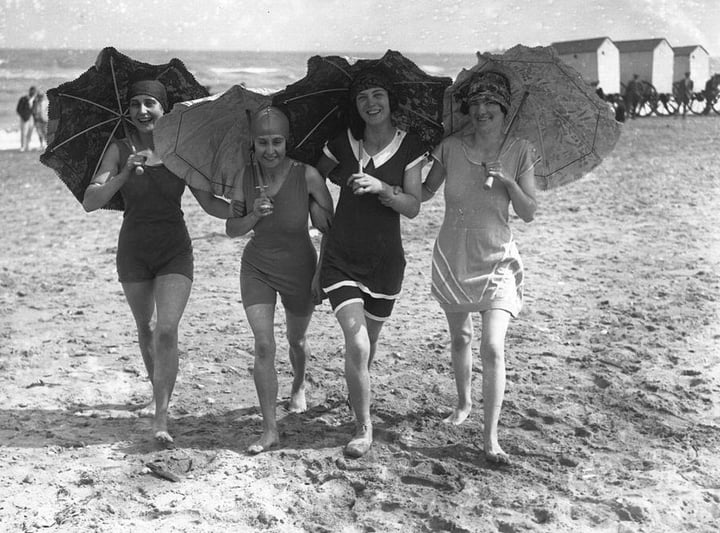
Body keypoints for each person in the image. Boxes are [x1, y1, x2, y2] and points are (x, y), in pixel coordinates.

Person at [82, 75, 231, 444]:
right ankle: (157, 392)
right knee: (146, 329)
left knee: (166, 328)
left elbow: (210, 204)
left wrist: (248, 212)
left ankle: (161, 417)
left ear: (164, 110)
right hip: (133, 249)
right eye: (135, 105)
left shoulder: (180, 151)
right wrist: (122, 173)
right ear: (129, 112)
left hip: (174, 249)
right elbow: (91, 200)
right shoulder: (118, 148)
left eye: (150, 104)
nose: (142, 111)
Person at [421, 71, 537, 465]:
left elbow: (529, 213)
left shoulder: (519, 149)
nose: (482, 110)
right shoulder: (450, 147)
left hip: (498, 258)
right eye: (475, 104)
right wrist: (398, 172)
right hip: (454, 255)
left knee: (491, 347)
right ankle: (463, 403)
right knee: (460, 339)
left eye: (491, 104)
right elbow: (422, 193)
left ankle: (490, 438)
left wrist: (507, 179)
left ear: (504, 108)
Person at [315, 67, 425, 458]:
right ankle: (363, 426)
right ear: (355, 105)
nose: (371, 103)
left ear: (390, 100)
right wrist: (329, 195)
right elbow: (315, 171)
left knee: (368, 343)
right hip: (340, 257)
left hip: (385, 262)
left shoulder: (409, 146)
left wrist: (382, 188)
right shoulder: (342, 142)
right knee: (358, 344)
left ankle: (355, 394)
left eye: (378, 95)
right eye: (362, 98)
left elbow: (413, 207)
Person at [225, 106, 334, 454]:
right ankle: (270, 428)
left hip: (301, 267)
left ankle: (299, 384)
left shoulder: (309, 175)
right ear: (253, 144)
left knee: (296, 340)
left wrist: (320, 274)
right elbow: (231, 229)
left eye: (276, 142)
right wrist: (254, 213)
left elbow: (330, 229)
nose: (270, 150)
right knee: (263, 345)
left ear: (286, 142)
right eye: (262, 143)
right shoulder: (245, 176)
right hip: (256, 266)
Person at [16, 86, 37, 151]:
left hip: (31, 118)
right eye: (32, 91)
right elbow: (18, 109)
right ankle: (22, 146)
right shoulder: (23, 99)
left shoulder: (35, 100)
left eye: (34, 92)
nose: (33, 93)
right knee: (24, 133)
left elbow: (35, 110)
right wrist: (23, 116)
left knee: (30, 132)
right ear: (29, 91)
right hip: (24, 118)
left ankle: (28, 145)